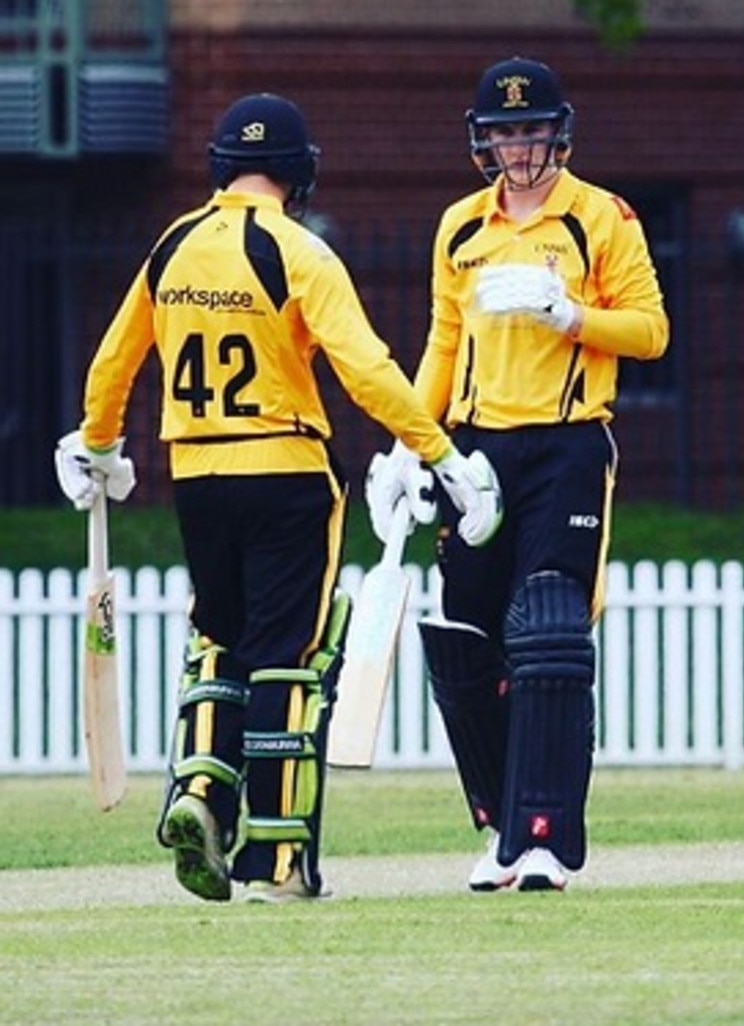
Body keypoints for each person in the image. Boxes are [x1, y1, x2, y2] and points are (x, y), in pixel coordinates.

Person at [54, 92, 502, 904]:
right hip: (285, 470)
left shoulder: (171, 246)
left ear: (222, 167)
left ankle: (199, 795)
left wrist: (98, 444)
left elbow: (113, 363)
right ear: (297, 173)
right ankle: (276, 864)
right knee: (288, 657)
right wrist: (440, 453)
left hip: (197, 476)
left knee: (221, 638)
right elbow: (364, 368)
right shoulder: (298, 251)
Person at [366, 56, 669, 891]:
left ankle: (544, 835)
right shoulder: (460, 227)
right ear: (483, 140)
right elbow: (441, 345)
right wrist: (410, 445)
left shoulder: (600, 218)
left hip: (567, 446)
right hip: (476, 454)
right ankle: (500, 828)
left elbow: (651, 332)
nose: (520, 146)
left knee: (547, 631)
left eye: (531, 129)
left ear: (557, 132)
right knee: (470, 644)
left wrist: (567, 314)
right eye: (504, 132)